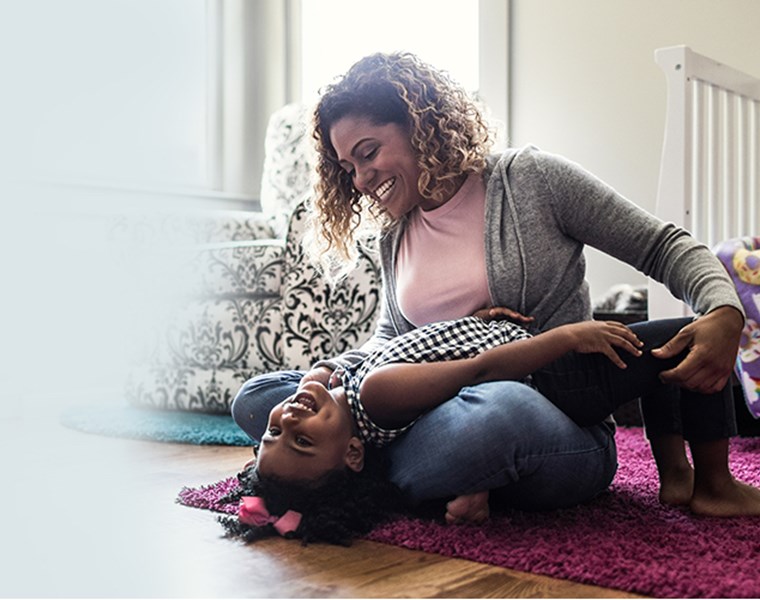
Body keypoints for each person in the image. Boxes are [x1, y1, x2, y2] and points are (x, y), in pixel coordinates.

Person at [232, 51, 748, 526]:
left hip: (545, 411)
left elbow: (662, 245)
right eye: (349, 168)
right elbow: (388, 344)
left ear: (419, 125)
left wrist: (724, 310)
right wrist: (334, 374)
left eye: (368, 154)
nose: (362, 180)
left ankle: (352, 474)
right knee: (258, 400)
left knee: (494, 414)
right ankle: (382, 467)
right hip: (425, 414)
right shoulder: (396, 233)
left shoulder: (530, 181)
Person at [219, 309, 759, 545]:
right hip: (549, 378)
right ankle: (713, 485)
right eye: (303, 440)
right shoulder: (375, 393)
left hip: (524, 365)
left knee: (662, 357)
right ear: (355, 454)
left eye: (272, 434)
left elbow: (426, 345)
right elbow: (478, 369)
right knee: (689, 336)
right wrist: (566, 337)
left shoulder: (344, 391)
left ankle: (676, 477)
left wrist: (473, 320)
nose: (287, 418)